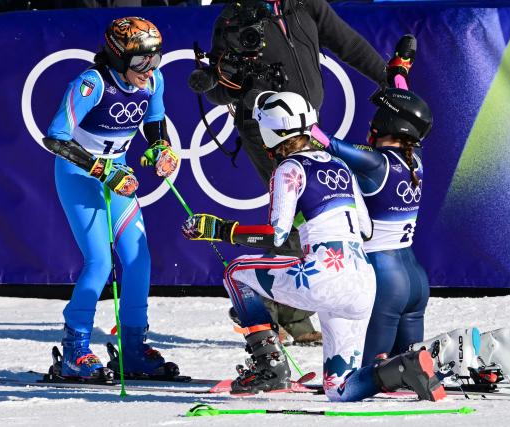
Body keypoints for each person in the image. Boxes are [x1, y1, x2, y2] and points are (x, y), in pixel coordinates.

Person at [181, 91, 446, 402]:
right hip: (361, 283)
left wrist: (222, 230)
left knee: (236, 273)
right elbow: (366, 227)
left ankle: (269, 367)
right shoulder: (340, 164)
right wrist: (311, 217)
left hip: (322, 276)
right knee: (340, 390)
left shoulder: (289, 169)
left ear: (270, 133)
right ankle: (404, 367)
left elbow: (275, 235)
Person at [188, 0, 393, 340]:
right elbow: (217, 87)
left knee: (310, 215)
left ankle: (291, 314)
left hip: (307, 124)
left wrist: (389, 79)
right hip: (267, 130)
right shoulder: (233, 17)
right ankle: (268, 318)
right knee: (294, 216)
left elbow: (349, 43)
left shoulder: (307, 4)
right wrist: (238, 83)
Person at [314, 88, 510, 389]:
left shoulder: (376, 163)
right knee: (410, 367)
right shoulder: (414, 158)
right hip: (414, 278)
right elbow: (409, 114)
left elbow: (329, 144)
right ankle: (487, 346)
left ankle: (464, 350)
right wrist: (400, 75)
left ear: (382, 127)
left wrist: (294, 118)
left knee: (363, 376)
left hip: (383, 279)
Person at [42, 17, 179, 380]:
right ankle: (74, 348)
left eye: (155, 60)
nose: (148, 70)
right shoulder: (92, 84)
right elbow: (55, 138)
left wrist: (160, 148)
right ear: (118, 57)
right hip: (80, 176)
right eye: (139, 62)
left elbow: (155, 120)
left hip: (119, 175)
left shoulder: (154, 81)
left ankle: (132, 348)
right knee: (100, 262)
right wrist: (101, 170)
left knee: (138, 258)